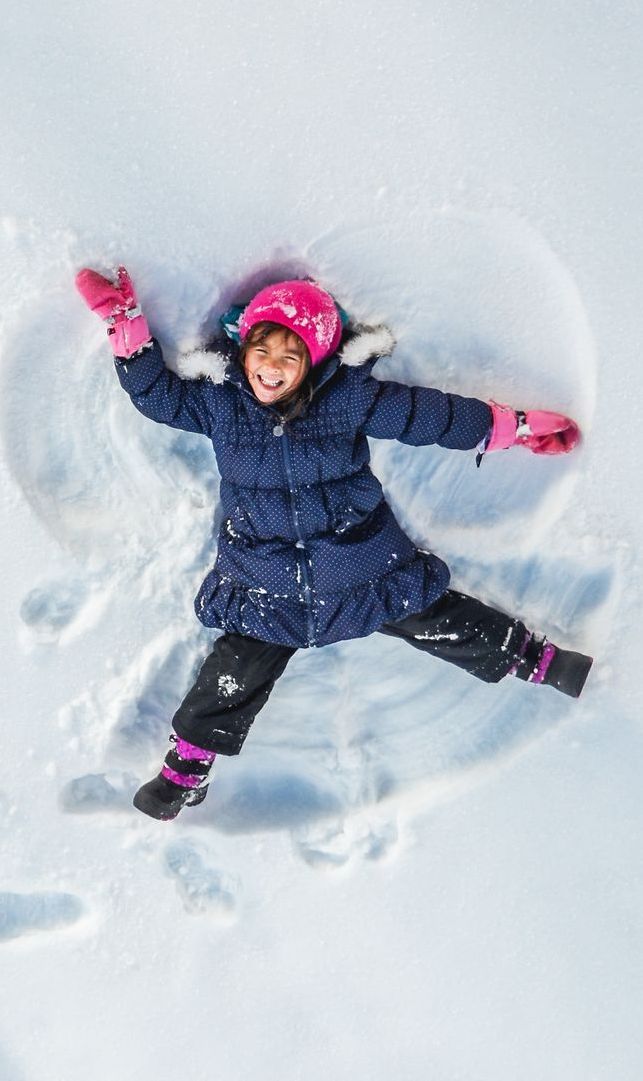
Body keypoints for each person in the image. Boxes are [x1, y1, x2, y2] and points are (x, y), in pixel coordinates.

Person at [75, 266, 593, 821]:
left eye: (290, 357)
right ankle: (185, 770)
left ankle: (535, 660)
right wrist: (124, 323)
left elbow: (431, 418)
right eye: (262, 350)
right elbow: (157, 395)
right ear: (243, 349)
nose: (271, 367)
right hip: (267, 580)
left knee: (437, 617)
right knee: (233, 672)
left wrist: (515, 428)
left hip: (360, 565)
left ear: (314, 363)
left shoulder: (346, 400)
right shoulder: (220, 405)